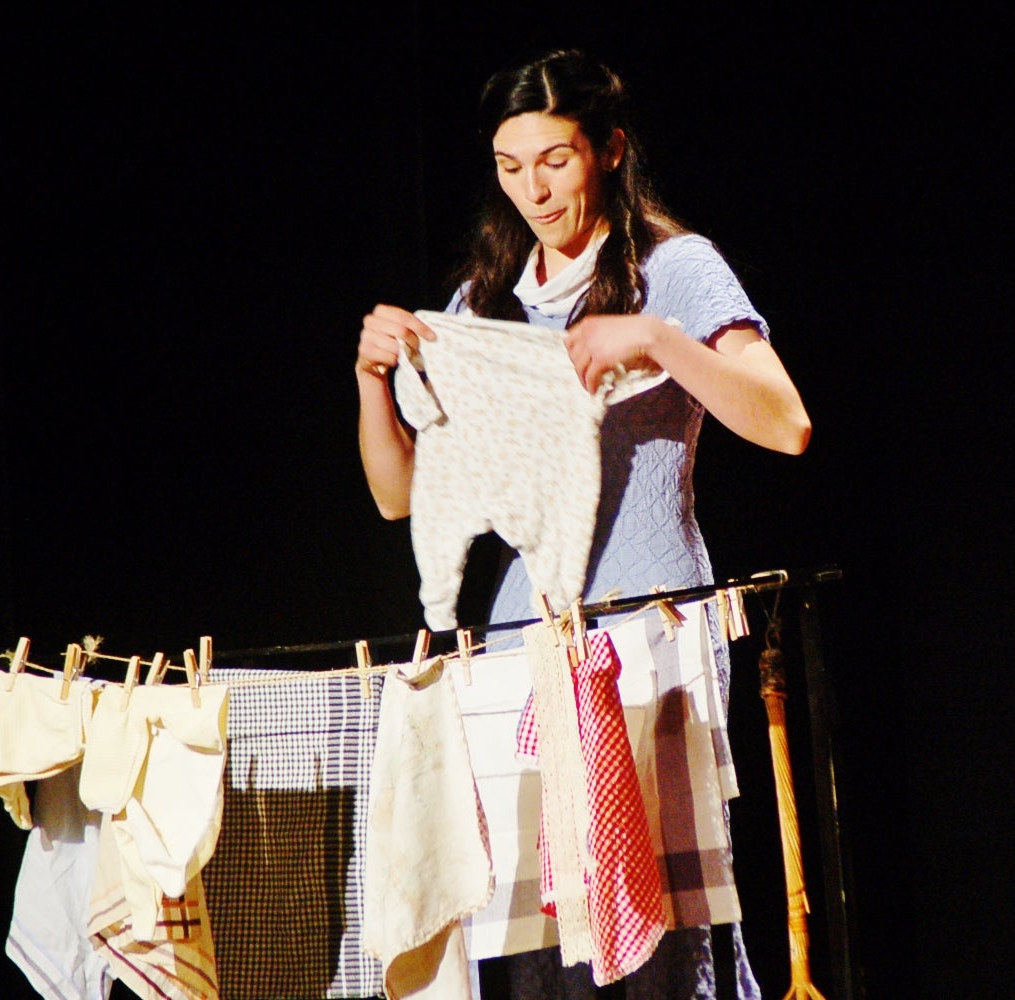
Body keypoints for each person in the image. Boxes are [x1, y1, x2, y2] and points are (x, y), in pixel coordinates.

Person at [354, 48, 809, 1000]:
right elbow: (402, 496)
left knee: (662, 940)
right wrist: (372, 382)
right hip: (525, 644)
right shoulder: (487, 299)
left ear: (608, 149)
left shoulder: (672, 269)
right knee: (538, 944)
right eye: (510, 167)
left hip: (653, 633)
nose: (533, 190)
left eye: (555, 161)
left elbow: (786, 423)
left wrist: (659, 339)